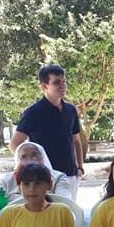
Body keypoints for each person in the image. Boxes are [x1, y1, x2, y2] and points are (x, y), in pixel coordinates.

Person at [10, 64, 84, 196]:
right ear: (44, 86)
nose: (62, 85)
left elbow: (76, 141)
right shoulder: (33, 112)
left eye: (64, 81)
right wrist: (29, 167)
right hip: (42, 177)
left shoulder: (70, 110)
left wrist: (80, 168)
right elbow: (15, 143)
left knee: (68, 208)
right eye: (56, 82)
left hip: (70, 174)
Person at [0, 140, 73, 204]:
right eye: (24, 157)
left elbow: (64, 201)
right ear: (18, 161)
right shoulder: (8, 179)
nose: (30, 159)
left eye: (34, 155)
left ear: (42, 157)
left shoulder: (58, 177)